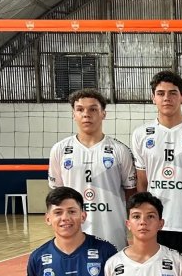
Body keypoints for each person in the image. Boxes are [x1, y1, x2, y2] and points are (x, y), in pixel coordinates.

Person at [48, 88, 137, 250]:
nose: (86, 114)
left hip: (112, 233)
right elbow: (57, 196)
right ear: (73, 114)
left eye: (93, 109)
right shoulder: (59, 150)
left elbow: (131, 193)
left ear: (103, 114)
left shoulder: (120, 150)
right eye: (80, 109)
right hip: (74, 234)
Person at [131, 70, 182, 255]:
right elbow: (142, 182)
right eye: (160, 93)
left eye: (173, 93)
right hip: (156, 225)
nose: (166, 98)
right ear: (153, 98)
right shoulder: (141, 134)